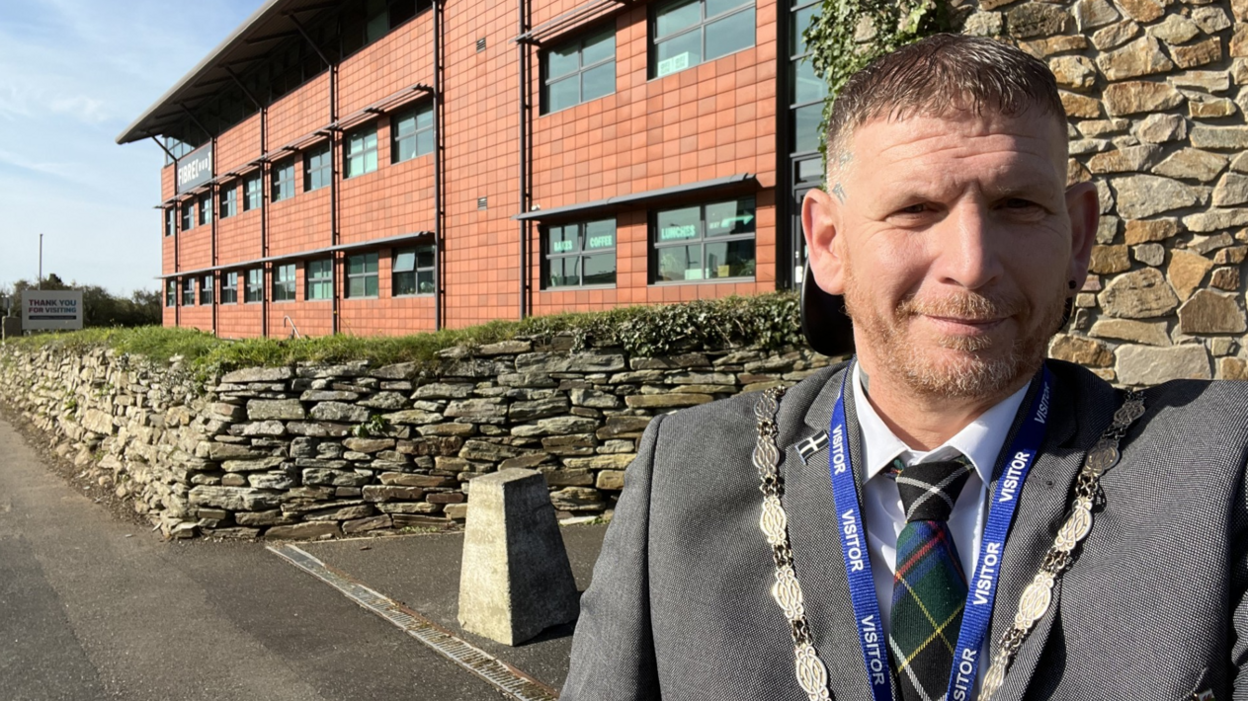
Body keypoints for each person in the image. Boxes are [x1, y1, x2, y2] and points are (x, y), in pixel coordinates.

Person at [561, 33, 1248, 701]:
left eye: (1018, 205)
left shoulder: (1218, 468)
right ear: (828, 243)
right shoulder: (683, 477)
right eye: (916, 209)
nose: (972, 261)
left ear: (1078, 236)